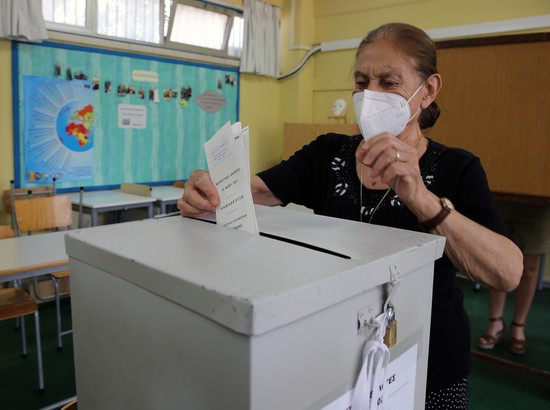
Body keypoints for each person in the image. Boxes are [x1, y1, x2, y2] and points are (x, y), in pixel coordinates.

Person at [178, 22, 522, 410]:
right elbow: (252, 191)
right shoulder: (329, 153)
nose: (370, 95)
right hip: (335, 358)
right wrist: (209, 189)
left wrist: (422, 199)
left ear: (428, 91)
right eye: (361, 83)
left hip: (425, 358)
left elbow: (506, 273)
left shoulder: (457, 168)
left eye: (389, 83)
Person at [478, 201, 550, 355]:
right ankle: (496, 322)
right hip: (502, 201)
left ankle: (519, 325)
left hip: (537, 205)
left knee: (529, 270)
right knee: (498, 265)